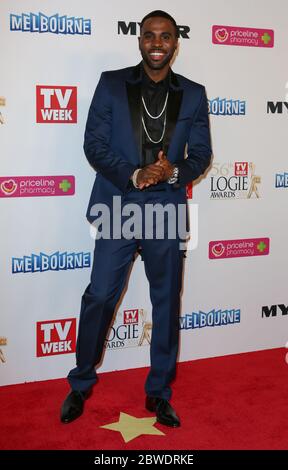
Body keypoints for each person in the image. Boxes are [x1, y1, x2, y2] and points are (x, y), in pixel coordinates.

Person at [61, 10, 212, 427]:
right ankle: (80, 382)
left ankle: (159, 392)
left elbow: (200, 154)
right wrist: (133, 173)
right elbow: (93, 144)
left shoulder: (195, 94)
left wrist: (173, 170)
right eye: (150, 35)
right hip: (119, 204)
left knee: (165, 304)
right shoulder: (112, 84)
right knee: (100, 296)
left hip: (165, 206)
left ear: (176, 43)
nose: (157, 43)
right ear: (139, 40)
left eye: (165, 36)